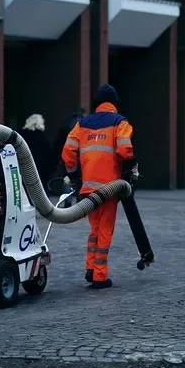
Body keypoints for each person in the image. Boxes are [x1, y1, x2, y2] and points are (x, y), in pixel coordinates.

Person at [61, 84, 139, 289]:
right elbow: (124, 149)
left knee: (94, 229)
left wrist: (74, 175)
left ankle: (90, 269)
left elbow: (68, 151)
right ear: (114, 103)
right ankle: (100, 276)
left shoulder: (82, 124)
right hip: (109, 188)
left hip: (88, 188)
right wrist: (131, 167)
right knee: (105, 230)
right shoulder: (120, 122)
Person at [20, 113, 54, 187]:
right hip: (39, 164)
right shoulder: (41, 136)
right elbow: (48, 150)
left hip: (24, 162)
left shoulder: (22, 135)